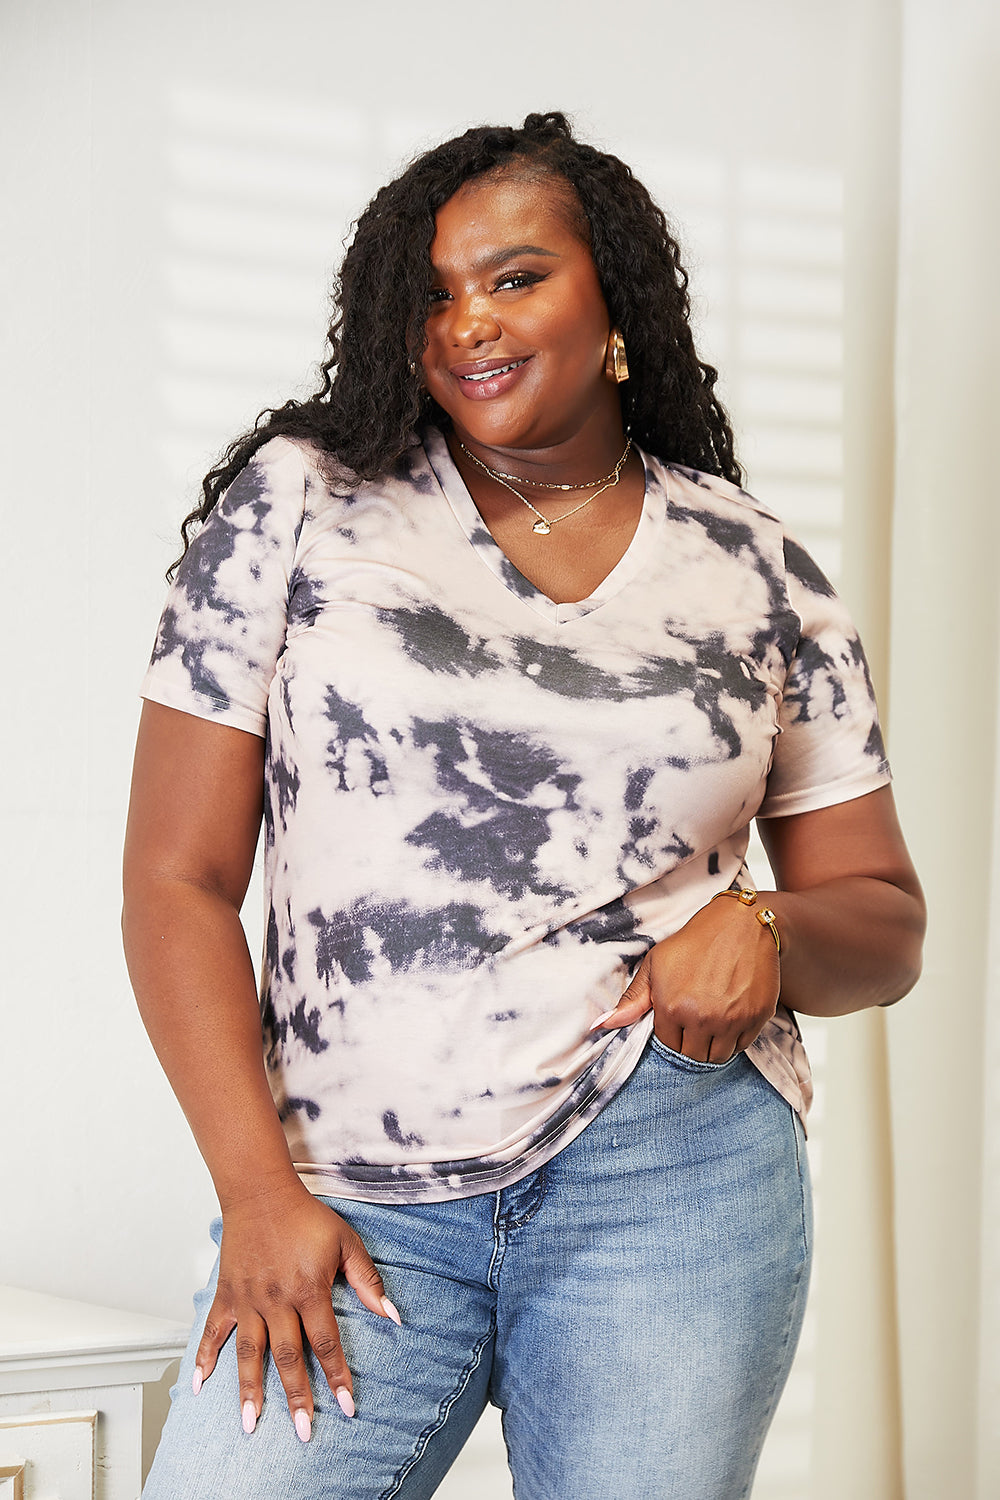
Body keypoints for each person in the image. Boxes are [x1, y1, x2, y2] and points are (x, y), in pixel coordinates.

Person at [123, 111, 925, 1500]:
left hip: (668, 1171)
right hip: (349, 1189)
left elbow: (887, 923)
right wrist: (258, 1194)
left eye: (513, 277)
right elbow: (175, 881)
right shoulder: (307, 504)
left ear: (613, 298)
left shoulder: (757, 570)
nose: (466, 325)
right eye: (429, 296)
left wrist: (765, 927)